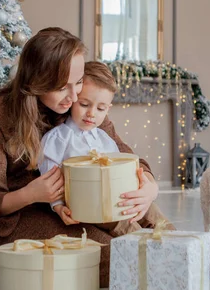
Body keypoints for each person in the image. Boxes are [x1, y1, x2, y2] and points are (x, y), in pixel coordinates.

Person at [0, 27, 171, 287]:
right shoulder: (0, 116)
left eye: (78, 82)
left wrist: (149, 187)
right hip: (24, 215)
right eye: (62, 87)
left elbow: (124, 155)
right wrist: (32, 194)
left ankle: (185, 259)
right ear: (36, 81)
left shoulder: (79, 104)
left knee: (159, 227)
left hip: (81, 204)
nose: (75, 96)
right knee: (114, 253)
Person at [39, 61, 138, 234]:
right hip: (87, 206)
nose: (92, 113)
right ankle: (151, 250)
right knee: (129, 225)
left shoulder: (104, 138)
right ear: (73, 99)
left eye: (100, 108)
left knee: (150, 213)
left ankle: (177, 244)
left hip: (114, 200)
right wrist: (58, 207)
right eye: (84, 105)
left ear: (108, 109)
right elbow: (49, 179)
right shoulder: (57, 138)